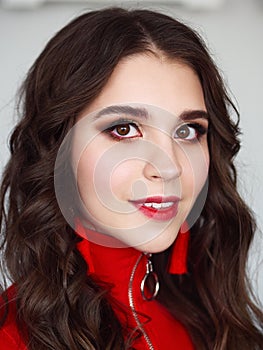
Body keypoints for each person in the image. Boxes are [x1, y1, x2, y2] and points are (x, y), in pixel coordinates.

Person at [0, 6, 262, 350]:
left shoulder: (211, 309)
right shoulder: (13, 337)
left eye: (188, 131)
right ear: (58, 146)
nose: (169, 167)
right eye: (124, 129)